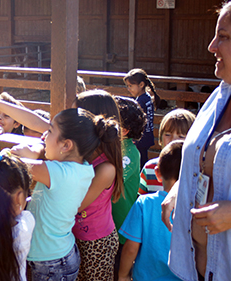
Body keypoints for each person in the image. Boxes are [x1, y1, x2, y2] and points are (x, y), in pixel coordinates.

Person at [0, 106, 119, 281]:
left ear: (66, 145)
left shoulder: (58, 172)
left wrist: (0, 157)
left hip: (51, 262)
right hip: (59, 254)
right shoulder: (82, 168)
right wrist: (34, 150)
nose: (44, 136)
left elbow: (13, 164)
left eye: (50, 131)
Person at [161, 3, 231, 280]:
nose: (212, 46)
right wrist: (182, 186)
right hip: (194, 267)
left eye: (223, 36)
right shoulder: (219, 97)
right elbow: (205, 159)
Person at [72, 90, 124, 281]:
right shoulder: (82, 154)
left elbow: (77, 205)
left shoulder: (105, 168)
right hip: (75, 236)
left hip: (97, 243)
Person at [118, 140, 183, 281]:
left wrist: (123, 276)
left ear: (157, 174)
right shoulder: (196, 207)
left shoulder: (144, 203)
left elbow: (130, 248)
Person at [111, 96, 145, 277]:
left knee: (118, 270)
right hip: (110, 224)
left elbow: (110, 181)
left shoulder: (129, 152)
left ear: (124, 130)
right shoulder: (114, 147)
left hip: (122, 226)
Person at [138, 108, 195, 194]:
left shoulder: (197, 171)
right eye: (168, 135)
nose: (173, 140)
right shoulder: (150, 168)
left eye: (181, 136)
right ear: (160, 138)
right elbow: (140, 200)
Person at [123, 68, 161, 168]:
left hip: (141, 137)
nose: (129, 89)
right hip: (147, 135)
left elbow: (137, 120)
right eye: (127, 86)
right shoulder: (147, 97)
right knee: (143, 158)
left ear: (141, 85)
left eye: (131, 86)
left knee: (139, 162)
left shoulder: (141, 101)